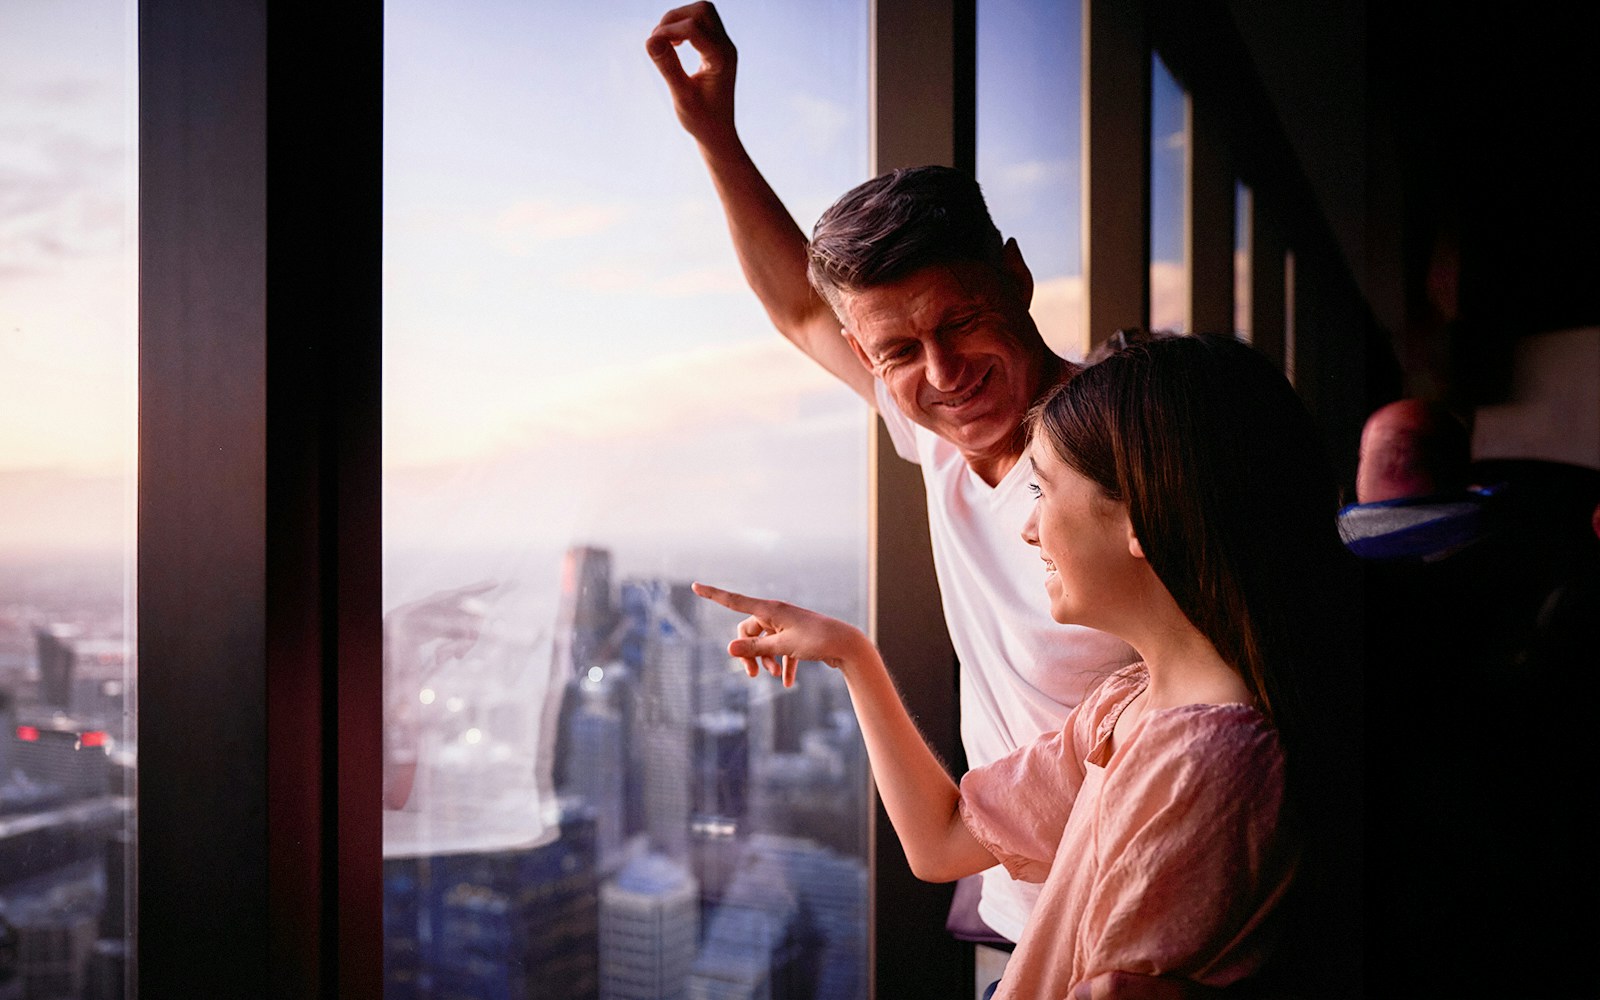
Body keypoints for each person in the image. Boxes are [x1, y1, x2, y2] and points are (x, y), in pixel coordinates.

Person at [647, 2, 1137, 946]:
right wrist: (715, 134)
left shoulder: (1127, 445)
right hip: (1022, 912)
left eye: (960, 322)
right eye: (900, 351)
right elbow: (798, 306)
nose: (944, 375)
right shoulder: (939, 435)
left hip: (1135, 924)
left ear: (1016, 278)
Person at [695, 334, 1359, 998]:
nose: (1028, 528)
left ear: (1141, 514)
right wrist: (852, 654)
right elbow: (944, 841)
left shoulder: (1206, 764)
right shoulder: (1127, 706)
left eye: (1043, 491)